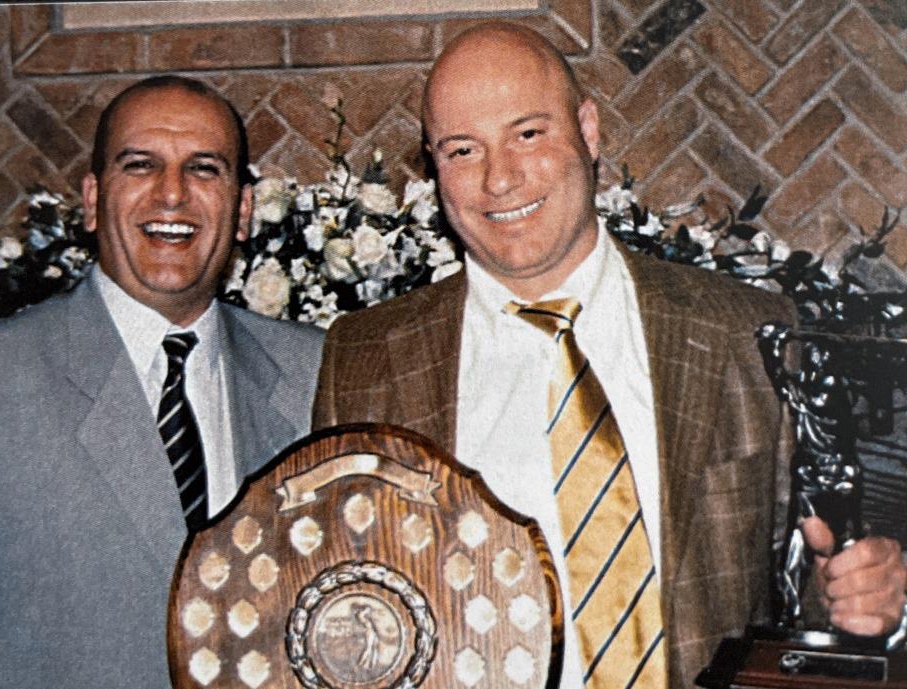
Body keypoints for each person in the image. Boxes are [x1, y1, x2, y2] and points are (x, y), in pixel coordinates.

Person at [312, 22, 906, 688]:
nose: (499, 179)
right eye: (461, 150)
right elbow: (342, 616)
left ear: (589, 131)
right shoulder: (363, 359)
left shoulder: (745, 331)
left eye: (528, 134)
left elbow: (802, 582)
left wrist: (852, 596)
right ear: (431, 165)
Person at [0, 76, 323, 689]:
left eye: (204, 170)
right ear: (91, 201)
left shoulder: (318, 374)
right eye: (140, 166)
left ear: (243, 210)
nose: (172, 195)